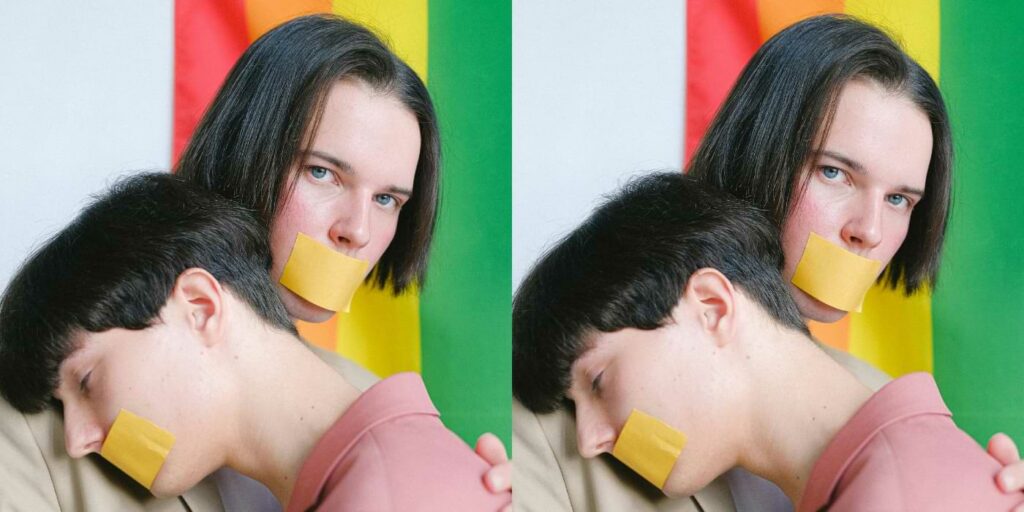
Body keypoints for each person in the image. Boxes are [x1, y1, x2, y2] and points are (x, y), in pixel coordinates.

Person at [512, 14, 1022, 511]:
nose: (867, 231)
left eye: (899, 200)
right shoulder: (568, 412)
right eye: (833, 172)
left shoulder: (885, 416)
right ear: (756, 153)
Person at [0, 14, 509, 511]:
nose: (356, 231)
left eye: (387, 201)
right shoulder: (63, 408)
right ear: (244, 152)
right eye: (322, 173)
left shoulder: (373, 415)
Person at [0, 173, 511, 512]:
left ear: (200, 307)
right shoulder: (377, 473)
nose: (76, 440)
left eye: (86, 381)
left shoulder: (390, 494)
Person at [513, 172, 1023, 510]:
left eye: (598, 381)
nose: (589, 439)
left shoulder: (902, 494)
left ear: (712, 307)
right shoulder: (893, 472)